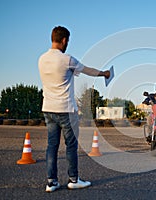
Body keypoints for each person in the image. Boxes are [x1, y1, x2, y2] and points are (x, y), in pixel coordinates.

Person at [38, 26, 110, 192]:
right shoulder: (67, 59)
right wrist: (104, 74)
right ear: (64, 40)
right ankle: (73, 179)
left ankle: (51, 182)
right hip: (66, 109)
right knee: (71, 145)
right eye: (67, 41)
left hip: (48, 108)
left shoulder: (41, 59)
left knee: (52, 146)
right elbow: (87, 70)